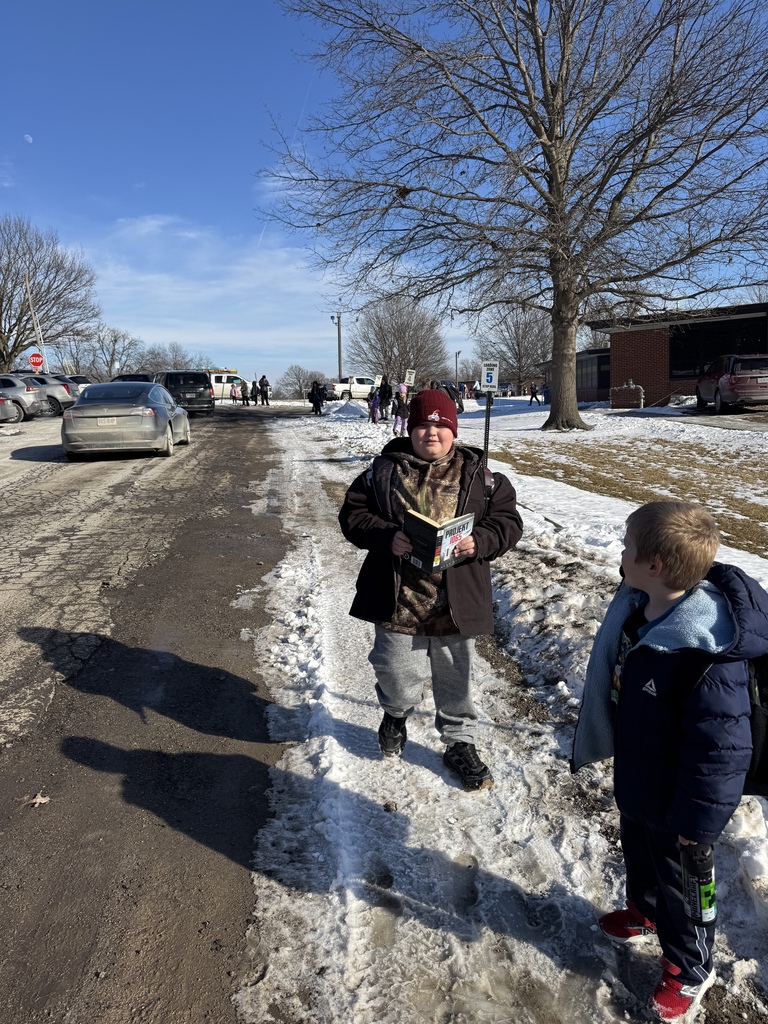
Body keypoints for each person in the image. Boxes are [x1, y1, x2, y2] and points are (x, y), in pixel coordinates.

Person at [572, 501, 768, 1023]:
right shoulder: (643, 608)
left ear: (654, 566)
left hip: (680, 801)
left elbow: (721, 750)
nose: (620, 553)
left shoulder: (704, 652)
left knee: (686, 892)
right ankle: (645, 909)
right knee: (639, 852)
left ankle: (691, 968)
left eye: (628, 548)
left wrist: (696, 825)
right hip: (641, 777)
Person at [338, 390, 524, 790]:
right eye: (423, 424)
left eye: (441, 425)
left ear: (453, 429)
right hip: (398, 598)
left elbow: (508, 523)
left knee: (455, 677)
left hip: (455, 601)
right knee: (395, 669)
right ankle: (396, 712)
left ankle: (459, 742)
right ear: (411, 428)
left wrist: (481, 542)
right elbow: (353, 516)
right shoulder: (382, 471)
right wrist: (388, 536)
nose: (432, 433)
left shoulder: (482, 476)